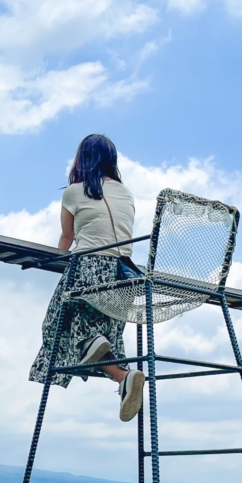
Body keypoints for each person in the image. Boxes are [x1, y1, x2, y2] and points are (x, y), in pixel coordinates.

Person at [28, 134, 146, 422]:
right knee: (101, 338)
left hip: (90, 268)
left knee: (57, 326)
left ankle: (116, 369)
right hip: (125, 275)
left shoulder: (74, 191)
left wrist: (55, 262)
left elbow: (67, 237)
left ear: (82, 159)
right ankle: (122, 377)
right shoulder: (126, 192)